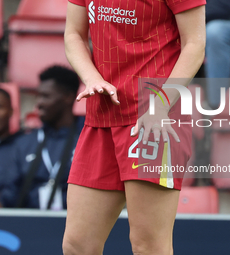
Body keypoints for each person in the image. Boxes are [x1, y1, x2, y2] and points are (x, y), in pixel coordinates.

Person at [63, 1, 206, 255]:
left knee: (148, 247)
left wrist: (161, 103)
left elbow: (195, 45)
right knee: (77, 246)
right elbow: (73, 33)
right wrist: (91, 77)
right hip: (101, 117)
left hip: (154, 118)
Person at [1, 65, 84, 209]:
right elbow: (10, 193)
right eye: (38, 96)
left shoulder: (92, 138)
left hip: (79, 225)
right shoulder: (24, 143)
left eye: (46, 96)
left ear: (69, 97)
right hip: (28, 226)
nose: (38, 103)